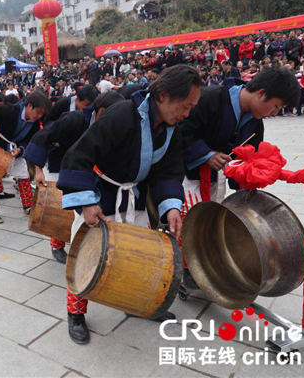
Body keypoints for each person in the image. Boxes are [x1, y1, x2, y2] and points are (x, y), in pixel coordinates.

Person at [56, 65, 202, 344]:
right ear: (163, 95)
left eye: (192, 108)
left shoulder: (172, 128)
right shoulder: (123, 114)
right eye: (185, 106)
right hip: (102, 197)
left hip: (134, 198)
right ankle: (76, 313)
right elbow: (79, 154)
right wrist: (87, 202)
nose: (187, 114)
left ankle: (133, 303)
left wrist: (171, 206)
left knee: (138, 255)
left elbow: (169, 171)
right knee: (84, 256)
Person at [179, 67, 300, 287]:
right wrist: (206, 155)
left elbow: (248, 159)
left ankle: (203, 265)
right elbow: (181, 131)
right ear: (261, 93)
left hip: (217, 180)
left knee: (211, 220)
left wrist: (246, 186)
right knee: (190, 220)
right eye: (276, 107)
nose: (275, 113)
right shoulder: (210, 99)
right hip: (187, 175)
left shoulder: (255, 123)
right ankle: (186, 268)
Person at [24, 91, 125, 263]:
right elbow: (42, 137)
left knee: (81, 210)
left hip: (85, 169)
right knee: (64, 209)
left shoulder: (110, 126)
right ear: (102, 112)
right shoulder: (74, 120)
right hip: (60, 163)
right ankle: (57, 245)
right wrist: (38, 170)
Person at [0, 91, 51, 223]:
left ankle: (28, 206)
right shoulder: (9, 109)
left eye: (43, 113)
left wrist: (20, 149)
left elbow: (29, 140)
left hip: (15, 150)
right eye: (38, 111)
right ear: (29, 105)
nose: (40, 116)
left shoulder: (35, 122)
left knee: (23, 175)